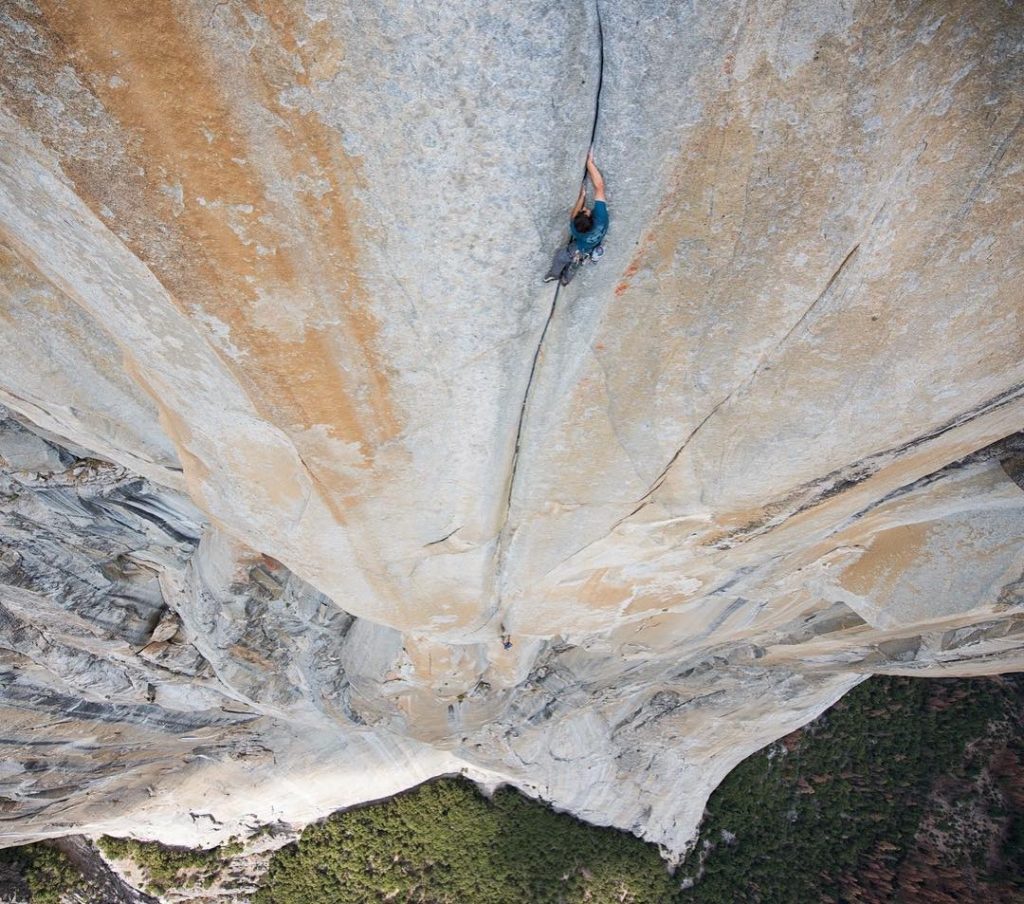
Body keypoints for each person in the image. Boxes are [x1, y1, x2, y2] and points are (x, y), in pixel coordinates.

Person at [545, 150, 609, 284]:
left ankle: (554, 274)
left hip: (579, 248)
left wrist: (582, 197)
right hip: (591, 246)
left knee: (560, 257)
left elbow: (573, 215)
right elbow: (599, 186)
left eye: (584, 210)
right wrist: (590, 164)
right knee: (575, 264)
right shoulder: (601, 220)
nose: (584, 208)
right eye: (585, 210)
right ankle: (566, 279)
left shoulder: (577, 231)